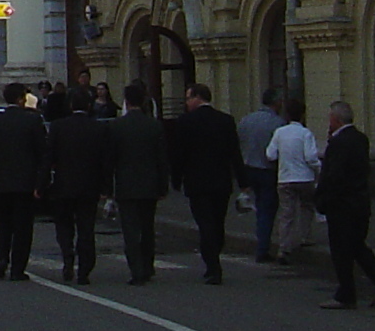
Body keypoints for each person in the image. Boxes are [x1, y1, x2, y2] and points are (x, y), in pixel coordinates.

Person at [316, 102, 375, 309]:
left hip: (341, 205)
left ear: (336, 120)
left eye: (330, 119)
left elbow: (334, 175)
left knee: (341, 251)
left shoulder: (338, 143)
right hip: (359, 202)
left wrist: (323, 199)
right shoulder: (360, 138)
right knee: (357, 246)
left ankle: (346, 294)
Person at [169, 82, 243, 284]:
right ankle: (215, 254)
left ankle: (212, 265)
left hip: (197, 182)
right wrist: (243, 182)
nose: (186, 103)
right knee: (217, 221)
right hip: (221, 181)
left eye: (188, 98)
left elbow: (179, 154)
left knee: (205, 223)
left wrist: (176, 178)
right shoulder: (225, 120)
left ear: (198, 98)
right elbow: (234, 153)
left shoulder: (185, 122)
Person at [0, 86, 49, 280]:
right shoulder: (33, 120)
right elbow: (43, 154)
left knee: (3, 223)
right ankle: (18, 267)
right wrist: (41, 183)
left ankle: (2, 258)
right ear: (20, 99)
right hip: (26, 183)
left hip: (1, 182)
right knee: (23, 227)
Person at [43, 89, 111, 284]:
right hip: (90, 186)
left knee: (64, 225)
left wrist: (42, 183)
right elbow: (105, 161)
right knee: (86, 228)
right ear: (89, 106)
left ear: (71, 106)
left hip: (63, 185)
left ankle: (67, 255)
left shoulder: (58, 127)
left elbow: (49, 158)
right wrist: (106, 188)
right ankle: (84, 271)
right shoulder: (98, 128)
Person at [109, 82, 170, 285]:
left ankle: (136, 270)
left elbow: (111, 160)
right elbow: (162, 159)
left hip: (126, 185)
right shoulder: (153, 125)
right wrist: (163, 186)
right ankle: (148, 266)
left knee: (131, 230)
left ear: (126, 101)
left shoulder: (117, 126)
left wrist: (108, 188)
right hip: (149, 184)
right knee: (147, 227)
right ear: (144, 101)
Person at [267, 97, 321, 263]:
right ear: (303, 115)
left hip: (285, 178)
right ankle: (304, 237)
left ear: (287, 115)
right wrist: (318, 168)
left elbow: (270, 155)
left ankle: (284, 247)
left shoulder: (279, 132)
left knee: (287, 213)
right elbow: (311, 157)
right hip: (304, 178)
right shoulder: (306, 133)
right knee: (306, 207)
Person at [239, 89, 286, 262]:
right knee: (267, 209)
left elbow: (239, 142)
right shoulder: (278, 123)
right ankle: (263, 248)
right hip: (268, 170)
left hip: (248, 168)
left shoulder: (246, 120)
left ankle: (261, 240)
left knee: (259, 206)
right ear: (276, 102)